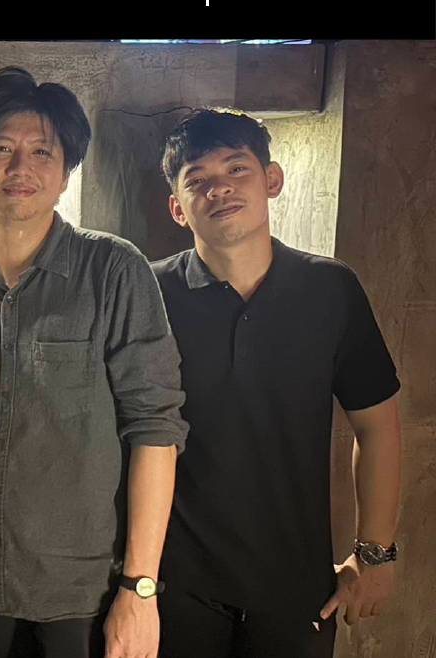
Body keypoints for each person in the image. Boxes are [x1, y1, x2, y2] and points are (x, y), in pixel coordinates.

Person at [0, 66, 189, 658]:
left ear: (65, 172)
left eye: (41, 152)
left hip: (83, 592)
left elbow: (156, 430)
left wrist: (140, 588)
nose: (19, 168)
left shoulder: (114, 271)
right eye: (1, 150)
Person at [153, 107, 402, 658]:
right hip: (174, 587)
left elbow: (377, 425)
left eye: (236, 168)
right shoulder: (150, 295)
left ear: (272, 179)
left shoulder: (329, 288)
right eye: (197, 179)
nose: (219, 188)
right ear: (178, 208)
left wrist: (376, 553)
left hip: (297, 588)